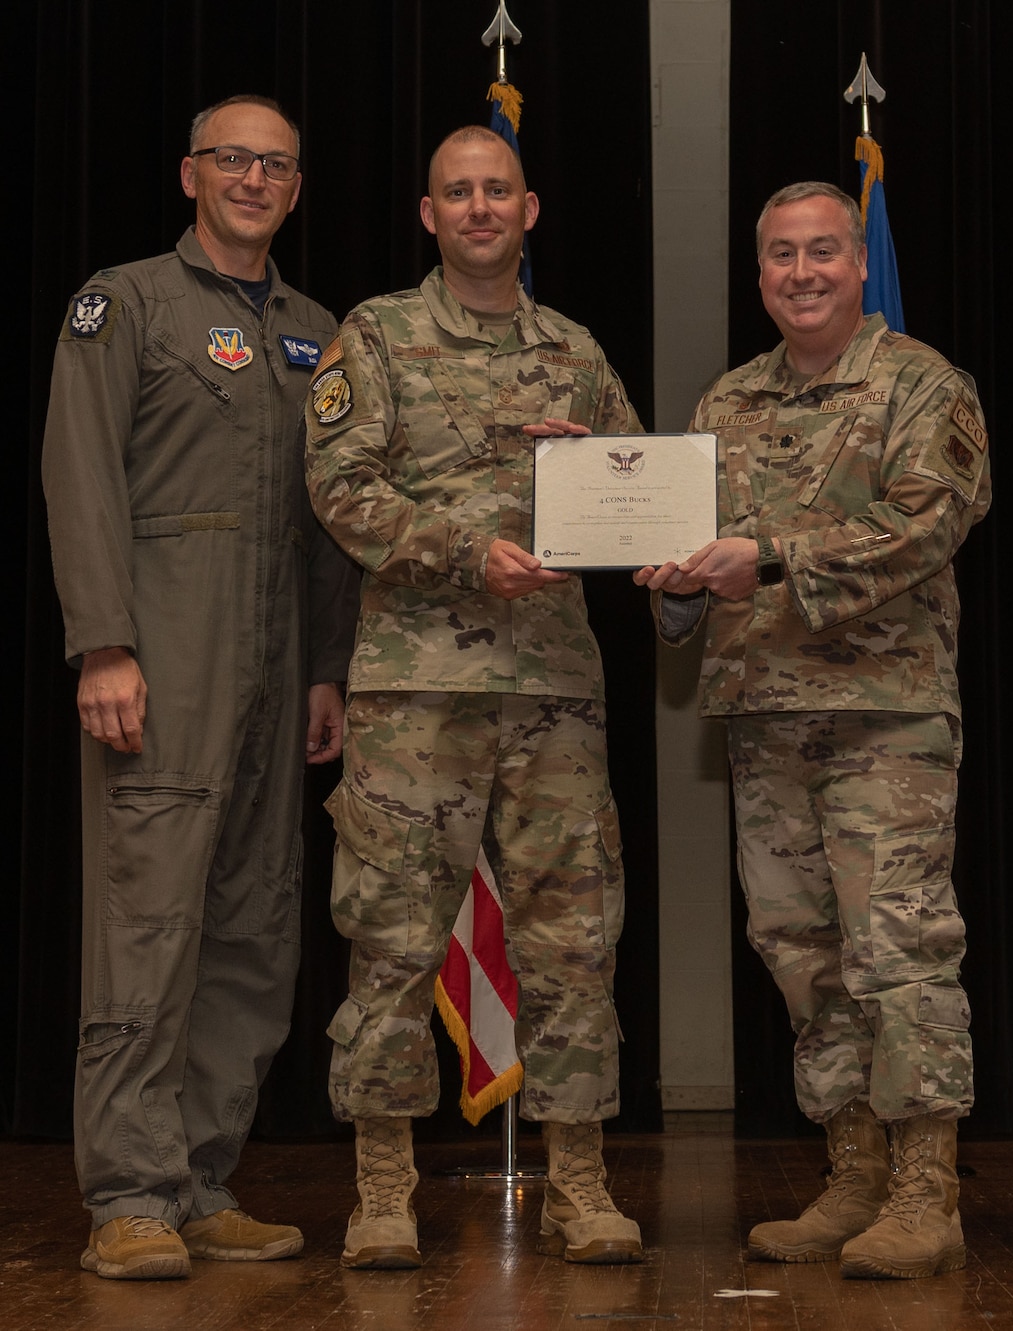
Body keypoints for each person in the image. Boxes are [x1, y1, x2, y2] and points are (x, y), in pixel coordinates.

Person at [304, 125, 646, 1269]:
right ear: (428, 213)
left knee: (572, 938)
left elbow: (636, 493)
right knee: (392, 936)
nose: (480, 207)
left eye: (497, 189)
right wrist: (466, 546)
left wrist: (597, 474)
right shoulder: (379, 336)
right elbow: (340, 486)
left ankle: (581, 1182)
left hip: (553, 688)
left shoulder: (576, 350)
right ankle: (383, 1187)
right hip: (416, 692)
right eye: (459, 192)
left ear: (531, 208)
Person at [635, 181, 989, 1280]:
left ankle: (927, 1187)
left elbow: (929, 519)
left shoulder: (922, 383)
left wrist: (772, 554)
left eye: (822, 252)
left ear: (856, 263)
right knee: (800, 955)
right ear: (758, 275)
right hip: (761, 718)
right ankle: (852, 1173)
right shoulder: (725, 403)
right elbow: (690, 561)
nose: (801, 272)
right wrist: (673, 582)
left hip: (885, 714)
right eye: (780, 256)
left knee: (899, 944)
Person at [41, 93, 353, 1280]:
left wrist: (328, 668)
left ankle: (200, 1177)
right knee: (148, 929)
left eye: (275, 164)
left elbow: (328, 526)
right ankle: (126, 1192)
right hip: (164, 663)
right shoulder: (123, 303)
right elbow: (79, 474)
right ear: (189, 173)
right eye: (232, 159)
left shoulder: (317, 331)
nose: (253, 178)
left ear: (294, 186)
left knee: (254, 928)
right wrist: (104, 642)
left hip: (279, 673)